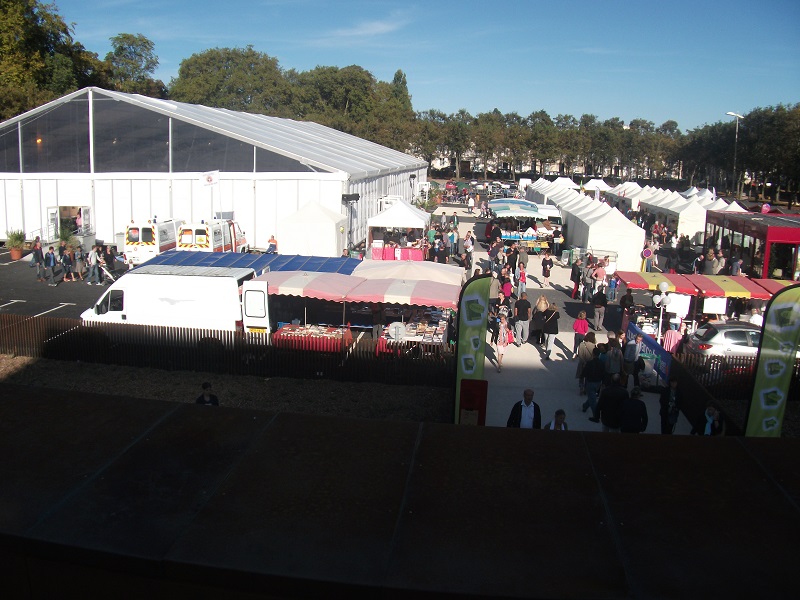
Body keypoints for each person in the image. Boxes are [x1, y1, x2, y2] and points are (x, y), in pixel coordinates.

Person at [582, 347, 605, 421]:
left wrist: (582, 378)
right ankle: (585, 406)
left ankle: (596, 416)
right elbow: (603, 373)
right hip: (598, 382)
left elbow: (584, 373)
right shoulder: (602, 363)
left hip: (590, 382)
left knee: (592, 399)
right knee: (592, 396)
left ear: (593, 354)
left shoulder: (590, 363)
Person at [575, 331, 596, 395]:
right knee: (588, 377)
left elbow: (580, 355)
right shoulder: (593, 346)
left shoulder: (581, 344)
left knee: (581, 376)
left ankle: (581, 388)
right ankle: (586, 389)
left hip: (582, 363)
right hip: (590, 364)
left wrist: (583, 361)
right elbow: (594, 356)